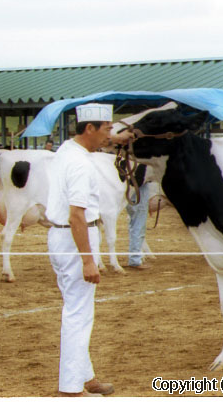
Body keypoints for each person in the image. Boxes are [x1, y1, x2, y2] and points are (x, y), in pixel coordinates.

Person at [46, 103, 135, 397]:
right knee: (78, 313)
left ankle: (85, 376)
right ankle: (71, 388)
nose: (109, 134)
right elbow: (77, 215)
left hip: (62, 238)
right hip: (75, 239)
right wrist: (88, 261)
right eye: (106, 128)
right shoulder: (81, 163)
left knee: (78, 309)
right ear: (89, 129)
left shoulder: (67, 151)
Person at [126, 182, 151, 270]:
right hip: (139, 186)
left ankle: (135, 257)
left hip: (130, 185)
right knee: (139, 222)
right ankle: (135, 259)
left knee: (135, 223)